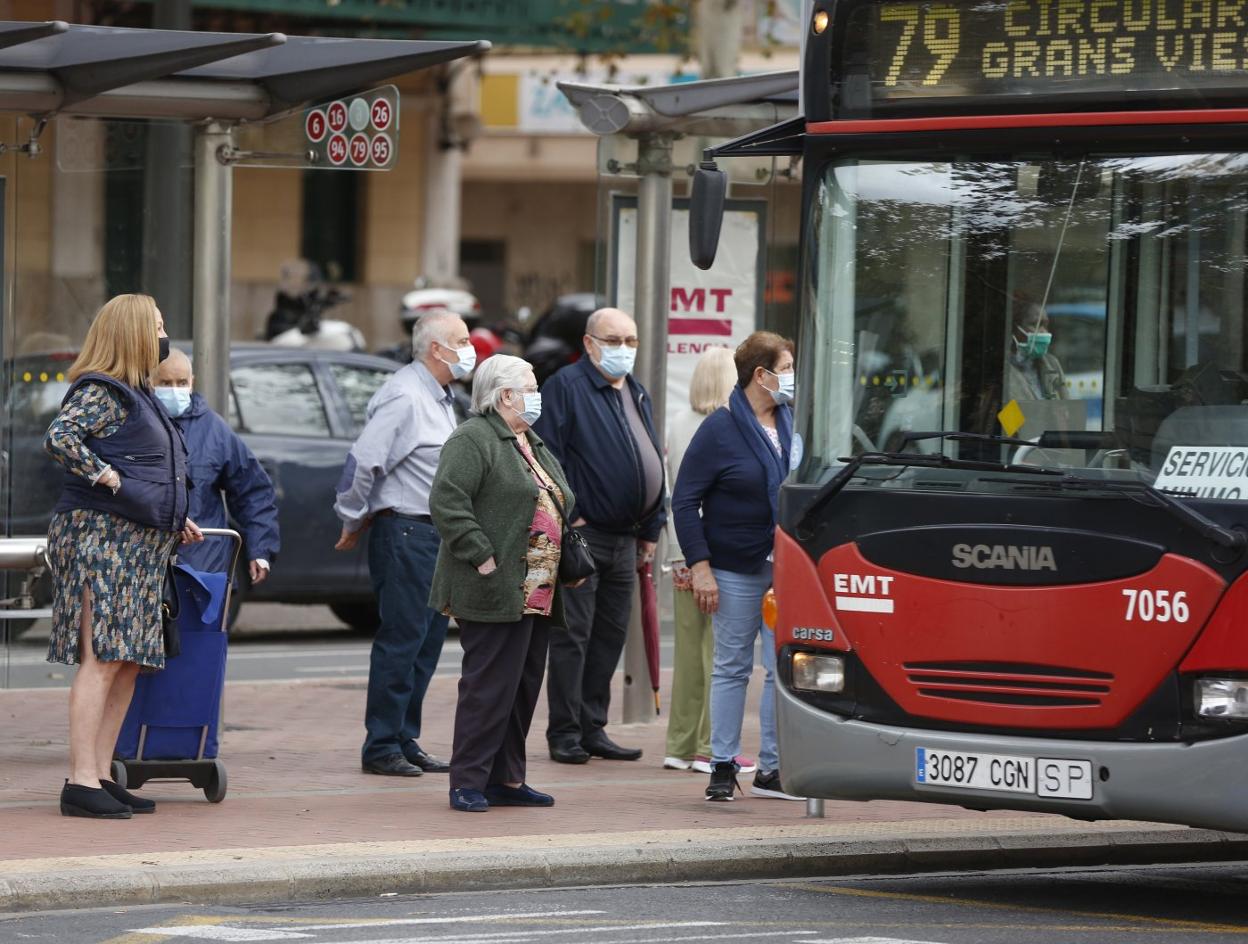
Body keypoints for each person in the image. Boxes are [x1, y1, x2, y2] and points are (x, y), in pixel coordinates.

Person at [43, 294, 203, 819]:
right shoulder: (102, 390)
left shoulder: (139, 395)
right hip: (100, 539)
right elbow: (61, 437)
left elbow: (154, 469)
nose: (164, 335)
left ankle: (102, 773)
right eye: (156, 326)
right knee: (103, 658)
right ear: (133, 333)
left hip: (136, 544)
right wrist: (109, 478)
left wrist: (174, 514)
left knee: (128, 662)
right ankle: (80, 780)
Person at [428, 355, 575, 812]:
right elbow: (447, 501)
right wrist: (482, 556)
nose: (538, 396)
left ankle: (507, 779)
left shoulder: (527, 439)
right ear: (506, 395)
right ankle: (467, 780)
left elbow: (557, 495)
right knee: (489, 687)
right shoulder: (473, 438)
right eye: (530, 387)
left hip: (535, 588)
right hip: (493, 585)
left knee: (522, 687)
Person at [333, 309, 475, 777]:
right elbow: (363, 462)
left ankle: (403, 736)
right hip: (407, 531)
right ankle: (380, 746)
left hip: (437, 535)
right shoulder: (404, 394)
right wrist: (352, 518)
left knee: (428, 641)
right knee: (403, 639)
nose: (470, 347)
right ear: (437, 348)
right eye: (462, 339)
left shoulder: (440, 396)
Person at [672, 331, 805, 803]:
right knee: (731, 667)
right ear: (760, 374)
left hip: (788, 568)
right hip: (734, 566)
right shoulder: (720, 428)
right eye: (785, 368)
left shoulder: (792, 422)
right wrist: (700, 567)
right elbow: (684, 502)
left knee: (780, 668)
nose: (791, 377)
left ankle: (771, 769)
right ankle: (723, 765)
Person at [532, 307, 665, 765]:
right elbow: (546, 456)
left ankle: (594, 727)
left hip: (628, 538)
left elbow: (652, 458)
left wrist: (652, 525)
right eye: (613, 340)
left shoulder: (635, 391)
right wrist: (574, 516)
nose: (623, 350)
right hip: (585, 536)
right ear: (589, 344)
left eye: (630, 341)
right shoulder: (566, 388)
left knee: (609, 636)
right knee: (573, 637)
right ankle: (564, 733)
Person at [662, 346, 756, 775]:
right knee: (718, 655)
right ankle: (708, 746)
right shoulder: (726, 430)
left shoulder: (677, 424)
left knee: (687, 656)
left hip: (680, 551)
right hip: (713, 553)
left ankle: (679, 746)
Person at [152, 347, 279, 583]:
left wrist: (260, 549)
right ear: (150, 383)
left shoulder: (214, 430)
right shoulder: (137, 425)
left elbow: (252, 490)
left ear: (193, 382)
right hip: (147, 565)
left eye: (181, 383)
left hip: (202, 565)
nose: (174, 390)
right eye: (165, 382)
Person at [1006, 300, 1067, 403]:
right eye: (1036, 324)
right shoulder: (1003, 371)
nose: (1043, 331)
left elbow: (1066, 407)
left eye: (1045, 325)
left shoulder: (1051, 364)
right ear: (1015, 329)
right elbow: (1009, 417)